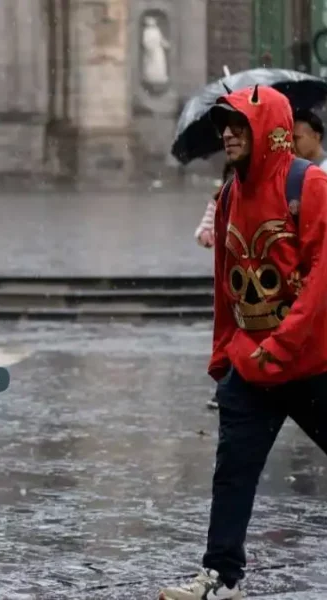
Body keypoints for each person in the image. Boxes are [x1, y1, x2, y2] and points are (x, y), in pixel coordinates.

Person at [159, 84, 327, 600]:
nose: (227, 134)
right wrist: (222, 356)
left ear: (270, 129)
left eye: (238, 125)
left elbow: (323, 276)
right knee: (232, 475)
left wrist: (280, 344)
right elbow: (226, 278)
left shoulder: (311, 183)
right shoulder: (231, 192)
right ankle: (221, 577)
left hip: (311, 364)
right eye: (223, 125)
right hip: (250, 367)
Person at [195, 163, 233, 411]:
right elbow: (202, 233)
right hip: (228, 275)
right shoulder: (219, 199)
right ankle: (225, 389)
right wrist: (216, 236)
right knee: (229, 333)